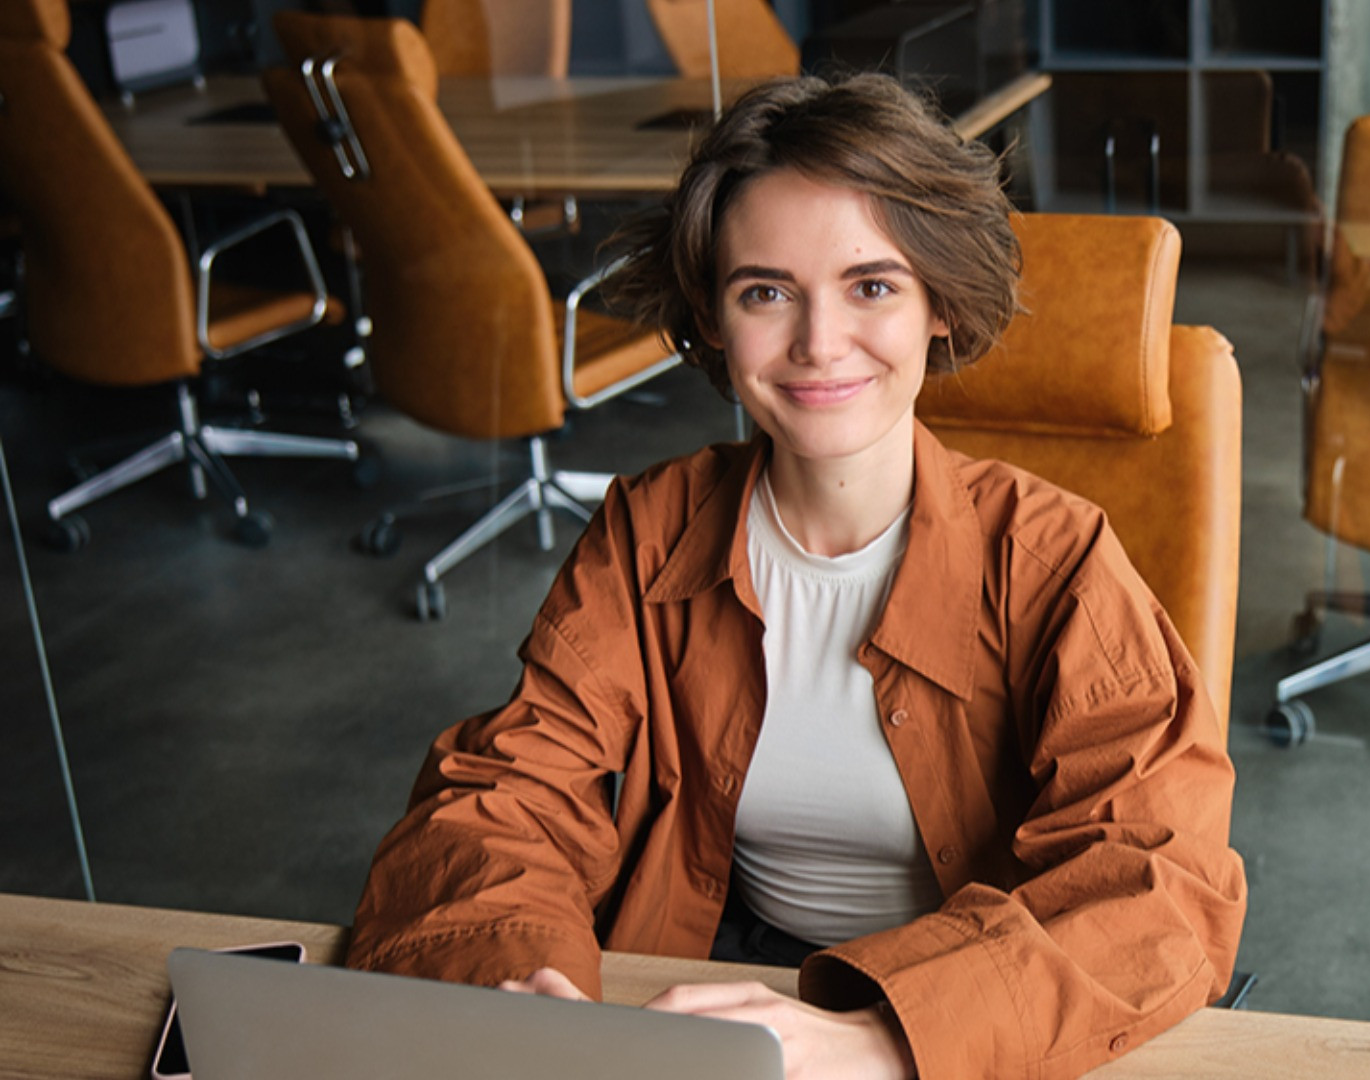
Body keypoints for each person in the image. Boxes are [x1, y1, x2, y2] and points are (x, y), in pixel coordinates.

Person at [345, 73, 1246, 1080]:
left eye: (871, 285)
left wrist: (877, 1042)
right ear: (717, 321)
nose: (820, 343)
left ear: (938, 305)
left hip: (965, 1005)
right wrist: (521, 987)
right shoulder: (648, 530)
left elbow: (1159, 883)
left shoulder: (1058, 561)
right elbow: (503, 799)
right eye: (766, 292)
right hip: (720, 977)